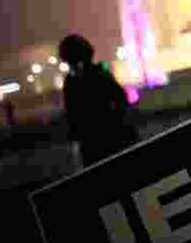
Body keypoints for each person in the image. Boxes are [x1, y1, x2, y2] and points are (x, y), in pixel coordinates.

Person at [58, 34, 139, 166]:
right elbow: (121, 98)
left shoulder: (72, 83)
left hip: (92, 144)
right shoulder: (100, 73)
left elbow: (73, 117)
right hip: (116, 137)